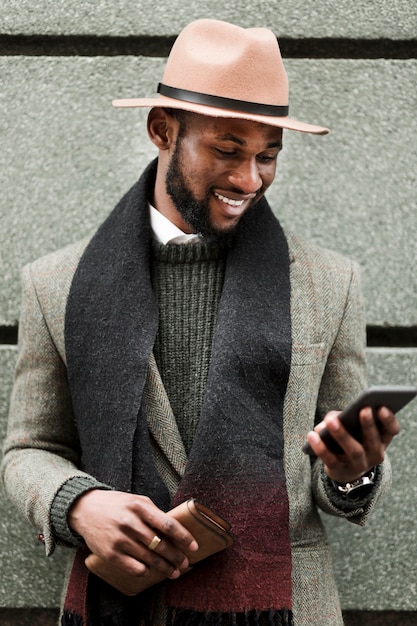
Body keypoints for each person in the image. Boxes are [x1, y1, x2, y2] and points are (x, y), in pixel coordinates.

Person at [1, 18, 400, 626]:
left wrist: (351, 473)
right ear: (162, 130)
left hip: (284, 608)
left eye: (268, 155)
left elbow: (340, 458)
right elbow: (31, 448)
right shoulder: (55, 284)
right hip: (122, 605)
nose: (249, 180)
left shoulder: (331, 283)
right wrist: (77, 506)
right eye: (227, 150)